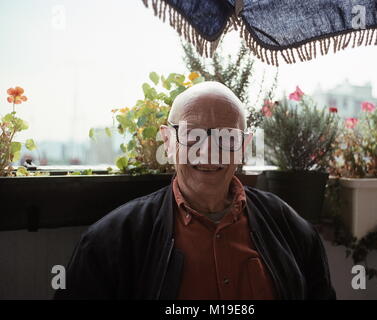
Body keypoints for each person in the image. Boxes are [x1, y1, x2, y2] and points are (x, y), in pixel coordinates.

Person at [54, 81, 336, 300]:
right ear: (167, 140)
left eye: (227, 138)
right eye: (191, 135)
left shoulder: (290, 229)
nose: (209, 151)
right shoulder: (109, 243)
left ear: (244, 146)